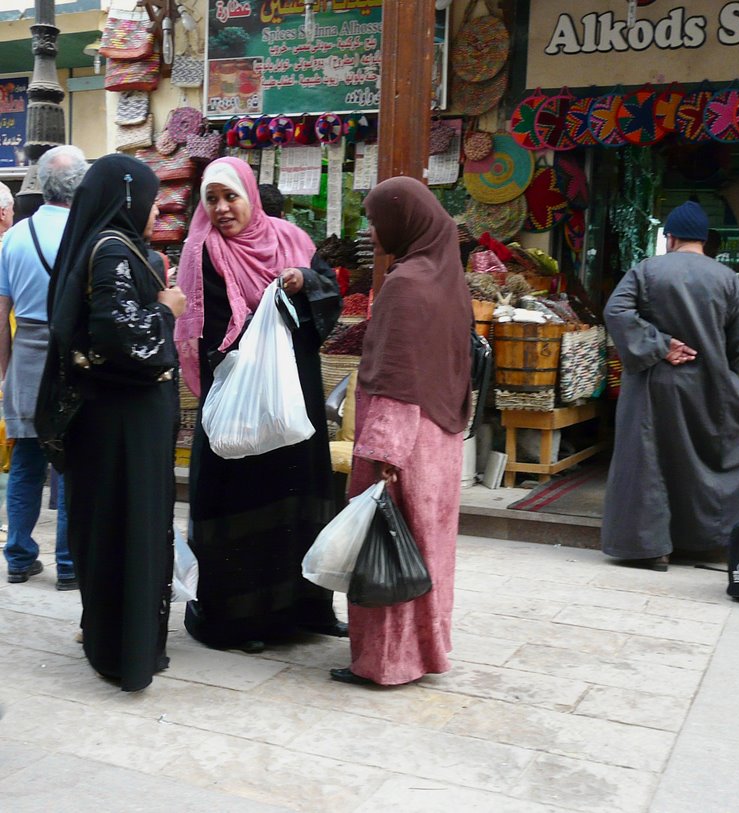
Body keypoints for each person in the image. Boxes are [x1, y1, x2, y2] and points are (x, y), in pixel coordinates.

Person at [175, 157, 342, 653]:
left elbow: (328, 297)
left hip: (293, 398)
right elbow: (201, 329)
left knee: (295, 496)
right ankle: (238, 621)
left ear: (249, 194)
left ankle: (305, 609)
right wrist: (251, 348)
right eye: (213, 199)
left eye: (231, 196)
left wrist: (302, 284)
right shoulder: (202, 252)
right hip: (240, 401)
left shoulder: (292, 241)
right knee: (242, 502)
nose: (223, 208)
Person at [36, 153, 185, 691]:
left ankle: (113, 638)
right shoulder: (113, 253)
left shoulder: (106, 249)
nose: (156, 209)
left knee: (113, 528)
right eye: (149, 197)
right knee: (129, 530)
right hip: (123, 423)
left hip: (117, 420)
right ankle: (124, 651)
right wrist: (167, 309)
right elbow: (130, 342)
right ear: (127, 198)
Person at [330, 176, 472, 687]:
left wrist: (384, 453)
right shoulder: (446, 280)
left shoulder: (405, 285)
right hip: (440, 438)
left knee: (386, 546)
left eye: (375, 218)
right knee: (425, 550)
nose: (371, 229)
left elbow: (397, 375)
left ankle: (385, 662)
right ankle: (426, 651)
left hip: (403, 441)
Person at [602, 201, 739, 571]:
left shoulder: (646, 271)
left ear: (669, 237)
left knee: (650, 462)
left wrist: (659, 345)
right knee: (709, 461)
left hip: (652, 386)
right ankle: (710, 542)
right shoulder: (728, 279)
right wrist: (728, 384)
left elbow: (616, 312)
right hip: (710, 386)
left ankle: (651, 548)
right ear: (705, 241)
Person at [0, 146, 87, 587]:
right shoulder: (89, 233)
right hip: (73, 358)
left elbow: (1, 315)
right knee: (70, 463)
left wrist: (6, 370)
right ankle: (69, 565)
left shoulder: (15, 236)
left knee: (27, 461)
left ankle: (18, 556)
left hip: (27, 355)